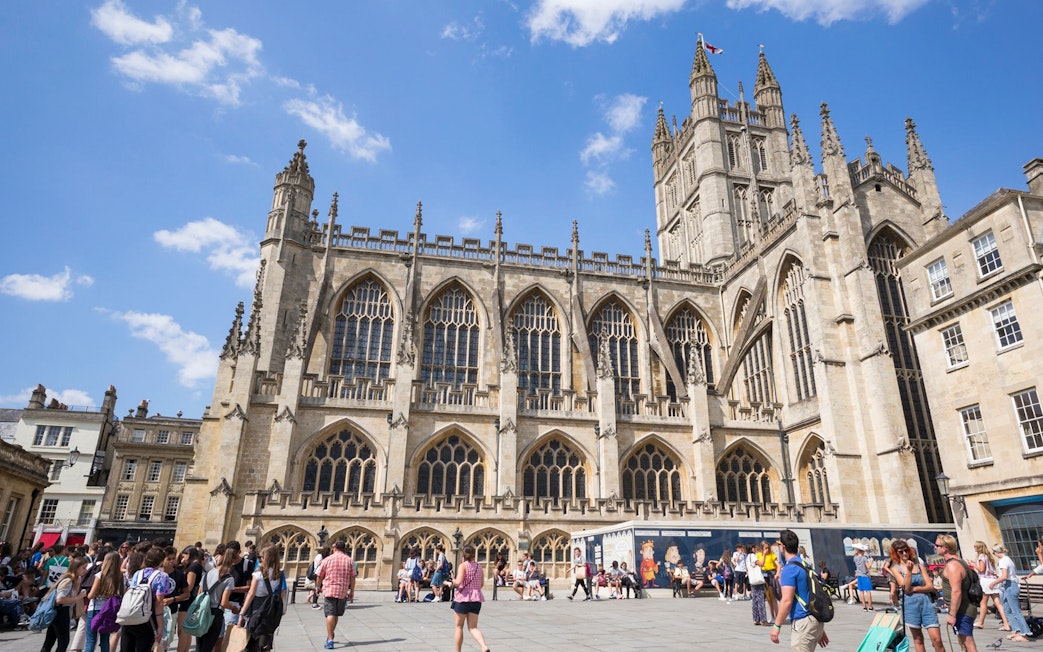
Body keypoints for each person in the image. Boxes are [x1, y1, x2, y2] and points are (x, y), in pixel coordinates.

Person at [770, 529, 829, 650]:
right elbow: (810, 593)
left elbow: (786, 600)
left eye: (779, 544)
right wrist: (818, 628)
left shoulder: (789, 569)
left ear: (783, 547)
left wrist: (777, 626)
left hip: (802, 622)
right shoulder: (804, 564)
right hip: (813, 620)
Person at [885, 539, 943, 652]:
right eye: (901, 552)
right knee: (918, 639)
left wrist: (915, 588)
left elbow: (930, 586)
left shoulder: (919, 566)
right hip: (910, 605)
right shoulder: (895, 569)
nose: (905, 553)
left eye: (906, 550)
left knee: (937, 640)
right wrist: (909, 572)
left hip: (927, 603)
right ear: (896, 553)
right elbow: (906, 588)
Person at [121, 546, 173, 652]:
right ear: (161, 561)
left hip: (130, 614)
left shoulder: (138, 573)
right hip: (148, 618)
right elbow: (158, 603)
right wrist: (160, 626)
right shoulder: (162, 576)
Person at [237, 545, 284, 652]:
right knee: (265, 643)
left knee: (251, 642)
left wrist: (241, 614)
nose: (259, 559)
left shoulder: (258, 574)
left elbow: (251, 594)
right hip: (270, 610)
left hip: (256, 609)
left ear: (267, 558)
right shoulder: (279, 574)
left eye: (261, 557)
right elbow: (281, 593)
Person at [936, 534, 978, 652]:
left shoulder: (953, 565)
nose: (935, 548)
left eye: (937, 545)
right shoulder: (958, 561)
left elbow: (956, 591)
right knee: (964, 643)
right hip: (963, 608)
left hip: (963, 610)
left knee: (968, 644)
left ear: (945, 548)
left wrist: (952, 615)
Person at [316, 540, 356, 650]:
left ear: (335, 548)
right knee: (336, 614)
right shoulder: (349, 560)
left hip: (329, 590)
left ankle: (330, 639)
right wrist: (352, 591)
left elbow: (319, 575)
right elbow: (352, 578)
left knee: (330, 614)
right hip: (342, 592)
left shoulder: (327, 559)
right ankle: (331, 634)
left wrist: (317, 587)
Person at [451, 545, 489, 652]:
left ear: (463, 554)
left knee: (459, 627)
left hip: (463, 599)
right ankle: (483, 646)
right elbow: (481, 584)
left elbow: (458, 582)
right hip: (476, 599)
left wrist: (452, 581)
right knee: (473, 627)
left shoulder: (463, 566)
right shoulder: (479, 566)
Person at [196, 553, 237, 652]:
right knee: (208, 646)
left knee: (199, 646)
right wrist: (233, 608)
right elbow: (224, 603)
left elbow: (199, 595)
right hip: (215, 614)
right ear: (232, 562)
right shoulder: (229, 579)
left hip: (201, 612)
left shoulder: (207, 573)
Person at [989, 545, 1030, 642]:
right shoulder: (1007, 559)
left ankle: (1025, 634)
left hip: (1010, 586)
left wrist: (993, 583)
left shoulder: (1003, 560)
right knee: (1007, 610)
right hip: (1007, 585)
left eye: (994, 552)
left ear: (997, 552)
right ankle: (1015, 630)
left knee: (1016, 611)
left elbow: (1004, 576)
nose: (994, 554)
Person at [85, 551, 123, 652]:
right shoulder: (119, 576)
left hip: (95, 609)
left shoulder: (100, 575)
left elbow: (91, 595)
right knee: (105, 639)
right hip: (109, 610)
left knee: (90, 639)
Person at [176, 547, 206, 652]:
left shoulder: (193, 568)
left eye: (184, 555)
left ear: (189, 554)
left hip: (187, 602)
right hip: (193, 602)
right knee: (187, 631)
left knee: (182, 631)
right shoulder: (198, 566)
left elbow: (188, 587)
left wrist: (178, 590)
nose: (182, 557)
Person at [852, 544, 874, 611]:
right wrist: (871, 562)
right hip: (865, 576)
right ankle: (870, 607)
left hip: (859, 575)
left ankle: (864, 607)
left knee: (861, 591)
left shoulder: (855, 558)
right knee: (868, 591)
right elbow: (868, 567)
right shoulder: (864, 558)